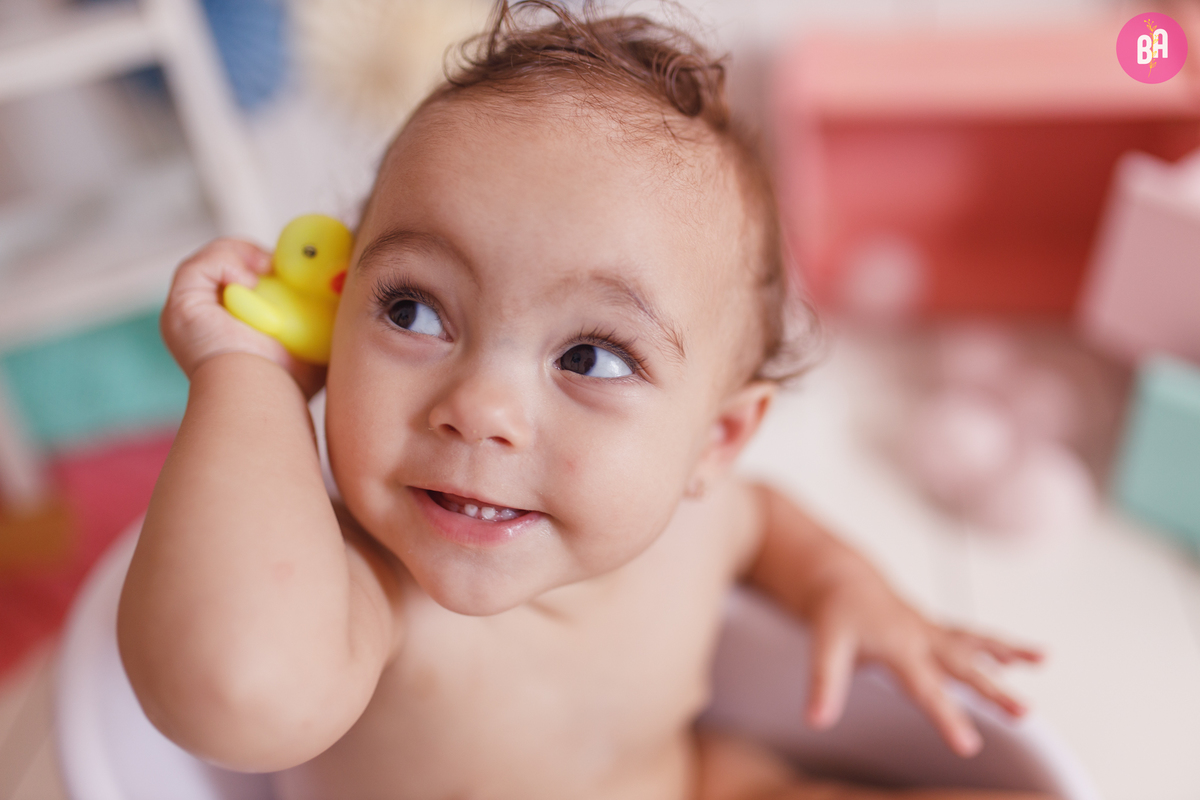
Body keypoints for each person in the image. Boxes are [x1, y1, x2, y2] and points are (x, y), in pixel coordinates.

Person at [118, 3, 1048, 798]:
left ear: (717, 440)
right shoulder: (366, 585)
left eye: (591, 358)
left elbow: (765, 522)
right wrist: (249, 373)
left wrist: (849, 590)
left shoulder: (704, 523)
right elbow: (229, 688)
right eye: (413, 310)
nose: (480, 407)